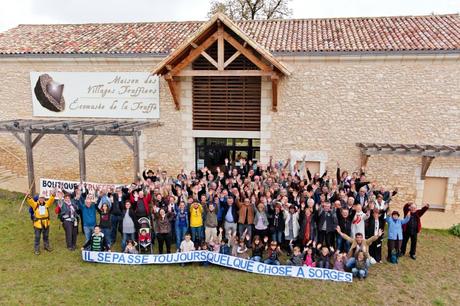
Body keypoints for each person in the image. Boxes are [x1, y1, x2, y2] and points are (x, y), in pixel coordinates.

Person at [26, 190, 55, 255]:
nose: (41, 199)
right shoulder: (35, 204)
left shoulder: (46, 204)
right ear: (38, 199)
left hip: (46, 223)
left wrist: (53, 195)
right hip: (38, 224)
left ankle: (46, 246)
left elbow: (51, 200)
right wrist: (28, 196)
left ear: (44, 199)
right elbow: (31, 201)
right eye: (40, 198)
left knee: (46, 236)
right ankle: (36, 249)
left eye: (43, 198)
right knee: (37, 237)